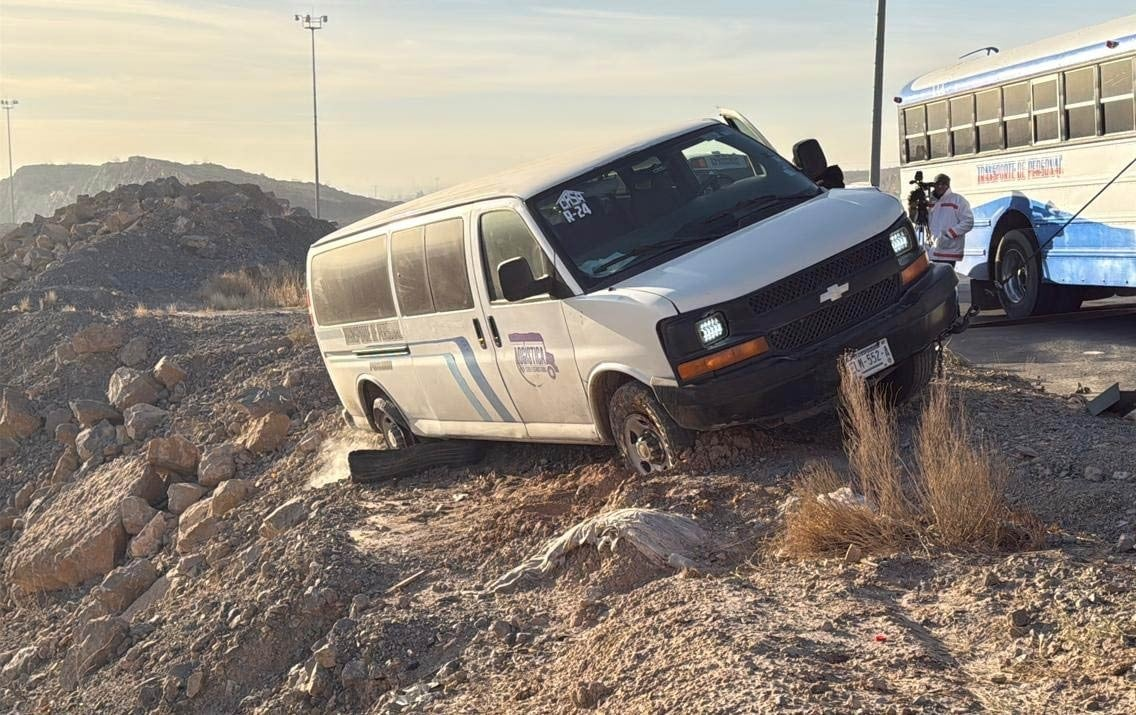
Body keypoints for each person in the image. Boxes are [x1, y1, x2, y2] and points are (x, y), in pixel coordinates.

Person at [926, 173, 973, 266]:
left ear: (948, 185)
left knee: (944, 278)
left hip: (949, 251)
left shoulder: (957, 200)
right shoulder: (929, 201)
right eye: (938, 184)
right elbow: (919, 221)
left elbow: (969, 222)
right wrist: (913, 208)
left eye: (944, 184)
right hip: (930, 251)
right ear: (934, 185)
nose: (940, 186)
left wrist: (949, 234)